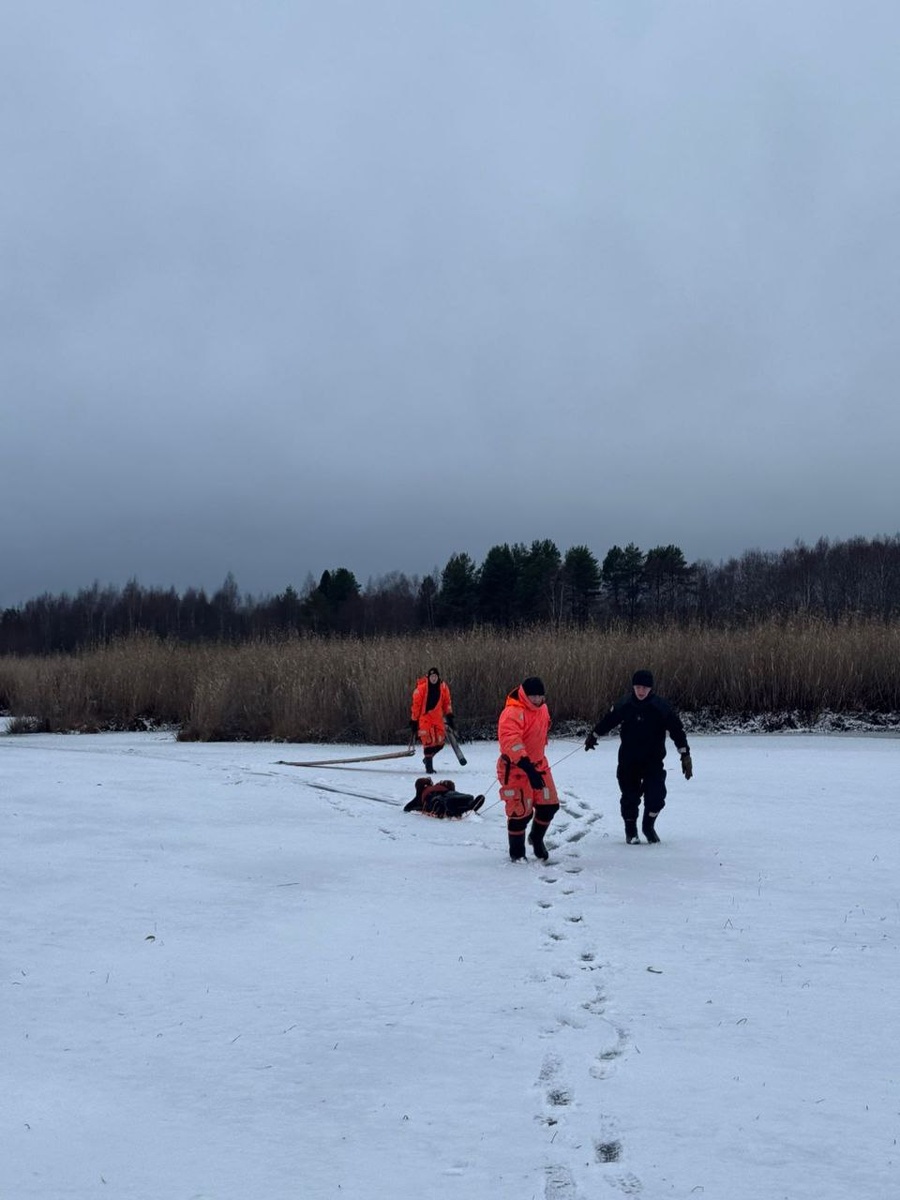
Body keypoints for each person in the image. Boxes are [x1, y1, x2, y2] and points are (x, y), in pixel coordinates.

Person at [584, 669, 693, 844]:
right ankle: (631, 830)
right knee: (630, 797)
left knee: (656, 797)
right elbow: (608, 721)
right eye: (638, 687)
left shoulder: (661, 708)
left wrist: (685, 755)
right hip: (629, 760)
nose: (641, 691)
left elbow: (677, 731)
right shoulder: (624, 705)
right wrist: (594, 736)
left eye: (644, 688)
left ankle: (648, 826)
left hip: (653, 761)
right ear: (633, 687)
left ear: (651, 689)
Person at [497, 676, 559, 862]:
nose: (537, 700)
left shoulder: (543, 708)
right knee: (520, 813)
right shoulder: (512, 712)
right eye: (533, 697)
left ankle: (537, 838)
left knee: (550, 805)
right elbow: (511, 742)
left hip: (539, 765)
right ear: (525, 694)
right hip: (515, 768)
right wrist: (527, 767)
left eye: (540, 697)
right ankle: (517, 854)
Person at [410, 666, 454, 773]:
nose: (433, 678)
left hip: (438, 719)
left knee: (440, 743)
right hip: (425, 720)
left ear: (438, 677)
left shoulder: (443, 687)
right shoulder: (421, 689)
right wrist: (414, 721)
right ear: (428, 677)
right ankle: (429, 768)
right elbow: (416, 707)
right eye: (432, 676)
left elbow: (447, 703)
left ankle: (427, 759)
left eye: (435, 676)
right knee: (428, 744)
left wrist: (449, 716)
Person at [403, 776, 485, 819]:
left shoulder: (434, 787)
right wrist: (421, 808)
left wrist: (420, 808)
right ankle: (466, 806)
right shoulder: (421, 795)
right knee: (445, 801)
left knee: (449, 800)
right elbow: (407, 808)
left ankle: (468, 805)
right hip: (439, 796)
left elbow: (407, 808)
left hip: (444, 795)